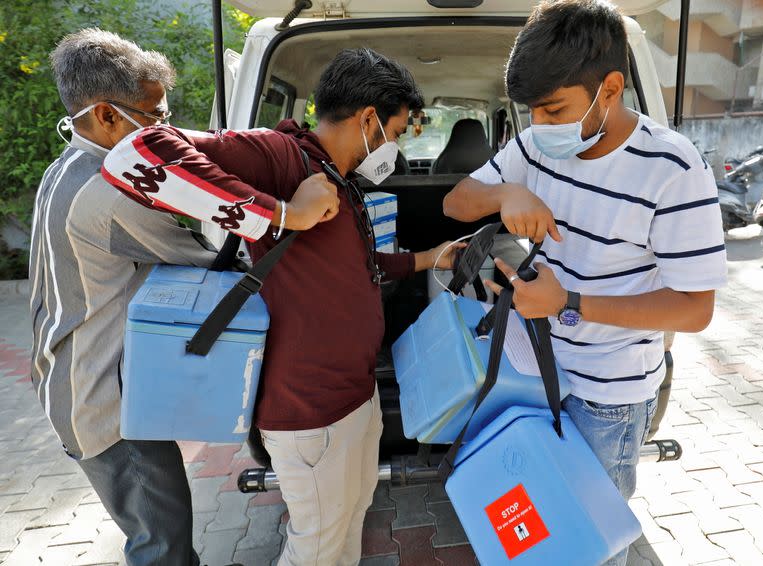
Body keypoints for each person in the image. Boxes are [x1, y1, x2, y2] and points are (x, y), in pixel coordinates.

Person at [102, 47, 463, 566]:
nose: (394, 147)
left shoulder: (337, 179)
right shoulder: (282, 155)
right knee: (316, 546)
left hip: (355, 399)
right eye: (395, 131)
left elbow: (359, 269)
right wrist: (283, 215)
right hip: (310, 413)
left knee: (344, 531)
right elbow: (139, 154)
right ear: (367, 119)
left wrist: (431, 257)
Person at [31, 28, 338, 566]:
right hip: (102, 401)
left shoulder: (64, 172)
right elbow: (202, 259)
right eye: (154, 117)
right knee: (162, 546)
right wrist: (291, 221)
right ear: (106, 116)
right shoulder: (106, 192)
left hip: (69, 376)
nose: (165, 132)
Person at [443, 1, 727, 564]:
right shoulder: (531, 147)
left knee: (587, 547)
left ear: (611, 88)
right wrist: (507, 194)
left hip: (608, 396)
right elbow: (456, 202)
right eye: (532, 113)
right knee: (541, 530)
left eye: (553, 109)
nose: (540, 127)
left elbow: (695, 310)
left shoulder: (671, 167)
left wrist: (568, 301)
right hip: (535, 371)